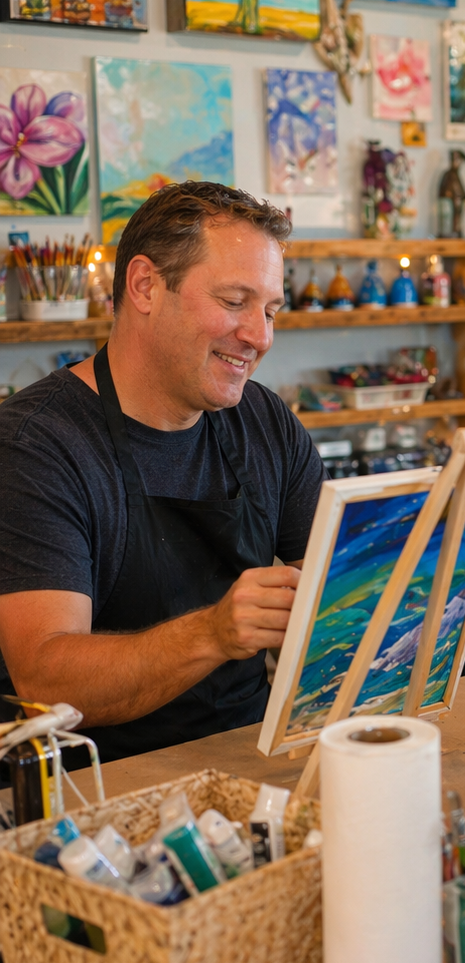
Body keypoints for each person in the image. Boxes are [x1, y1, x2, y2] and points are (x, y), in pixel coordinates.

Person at [0, 182, 325, 762]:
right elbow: (45, 681)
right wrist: (214, 632)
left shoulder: (265, 421)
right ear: (146, 286)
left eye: (271, 310)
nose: (260, 336)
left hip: (248, 759)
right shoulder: (35, 446)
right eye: (234, 302)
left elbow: (340, 592)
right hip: (94, 793)